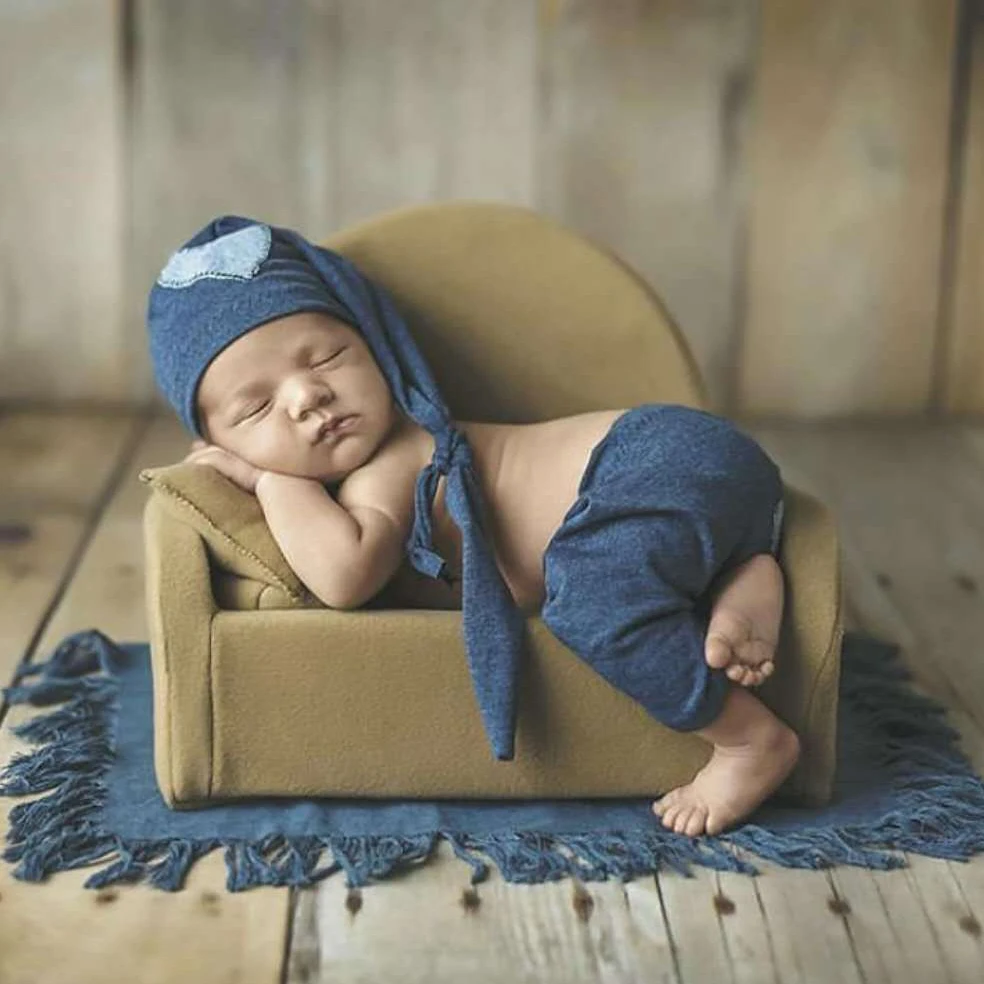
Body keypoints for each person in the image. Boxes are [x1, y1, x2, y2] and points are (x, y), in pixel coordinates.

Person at [147, 214, 800, 838]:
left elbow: (344, 577)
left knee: (592, 601)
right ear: (211, 438)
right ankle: (742, 568)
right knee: (631, 561)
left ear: (375, 345)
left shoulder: (397, 457)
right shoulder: (371, 462)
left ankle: (749, 740)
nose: (306, 396)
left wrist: (268, 477)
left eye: (327, 358)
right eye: (256, 405)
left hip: (641, 464)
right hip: (699, 467)